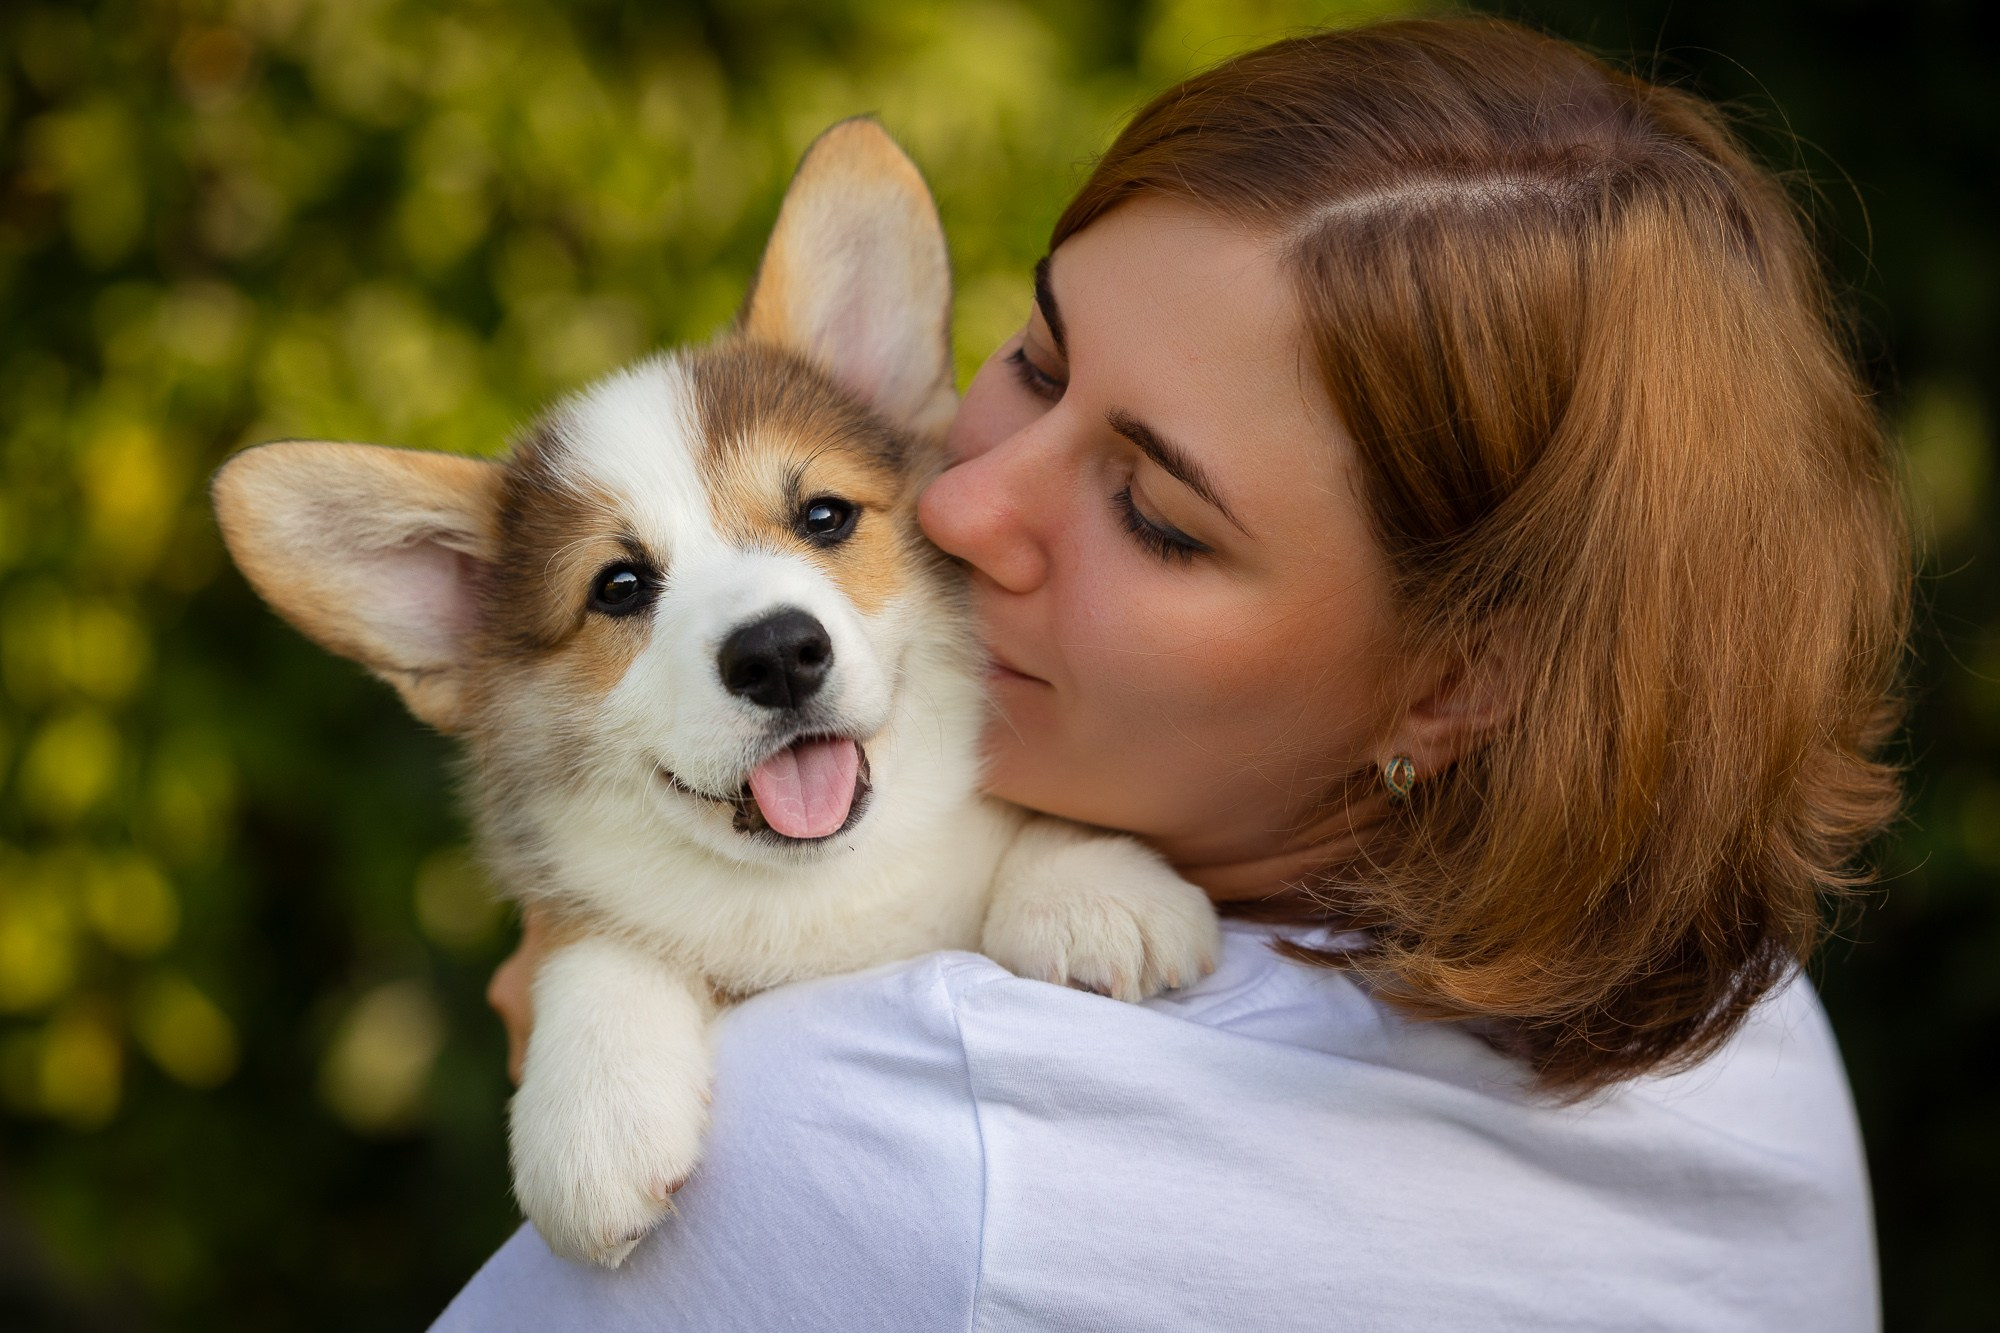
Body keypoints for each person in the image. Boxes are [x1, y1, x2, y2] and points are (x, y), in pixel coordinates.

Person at [437, 16, 1905, 1330]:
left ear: (1452, 685)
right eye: (1037, 356)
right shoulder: (1735, 1004)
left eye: (1155, 515)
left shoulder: (908, 1142)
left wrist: (602, 957)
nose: (955, 506)